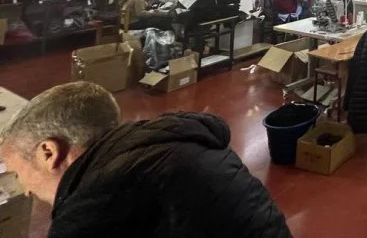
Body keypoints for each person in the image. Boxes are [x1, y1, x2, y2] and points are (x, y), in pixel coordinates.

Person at [0, 82, 291, 238]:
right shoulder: (165, 143)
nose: (25, 190)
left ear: (49, 153)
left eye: (17, 173)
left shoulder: (96, 205)